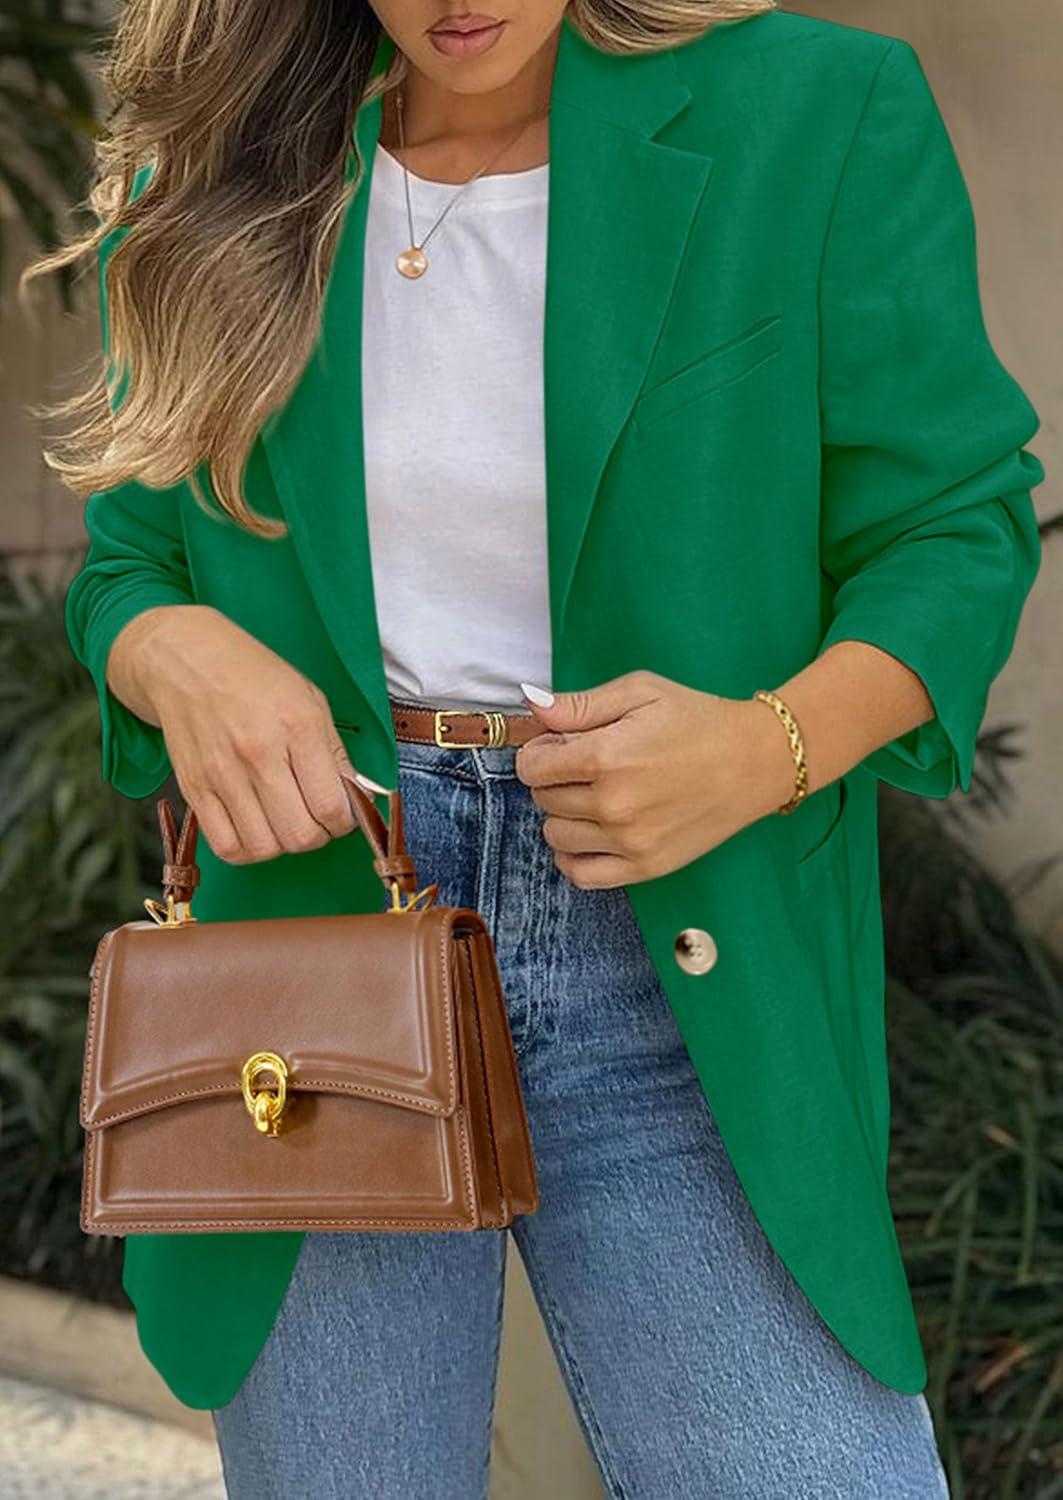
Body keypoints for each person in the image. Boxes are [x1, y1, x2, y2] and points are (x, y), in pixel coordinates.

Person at [29, 1, 1045, 1495]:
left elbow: (953, 527)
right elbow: (130, 559)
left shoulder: (816, 111)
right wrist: (176, 652)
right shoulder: (227, 154)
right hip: (324, 949)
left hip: (677, 942)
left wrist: (765, 747)